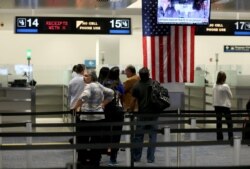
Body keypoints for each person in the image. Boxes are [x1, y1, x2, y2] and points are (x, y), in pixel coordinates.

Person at [74, 69, 114, 167]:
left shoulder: (89, 86)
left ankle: (82, 162)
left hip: (87, 119)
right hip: (99, 118)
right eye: (84, 75)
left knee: (83, 142)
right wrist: (103, 104)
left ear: (92, 77)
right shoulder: (98, 85)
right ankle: (95, 162)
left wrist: (75, 107)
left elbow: (84, 96)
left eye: (87, 76)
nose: (84, 77)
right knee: (96, 142)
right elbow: (111, 93)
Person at [130, 67, 158, 163]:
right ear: (149, 74)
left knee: (138, 137)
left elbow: (133, 100)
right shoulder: (155, 84)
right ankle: (150, 158)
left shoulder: (136, 85)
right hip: (154, 115)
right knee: (152, 137)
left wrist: (131, 111)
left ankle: (136, 157)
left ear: (140, 75)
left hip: (142, 115)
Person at [103, 66, 125, 165]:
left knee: (106, 132)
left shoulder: (104, 83)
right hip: (118, 110)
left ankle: (105, 151)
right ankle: (113, 158)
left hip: (107, 110)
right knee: (116, 134)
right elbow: (123, 92)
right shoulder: (119, 84)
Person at [213, 71, 233, 141]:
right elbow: (231, 96)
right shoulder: (226, 86)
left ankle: (219, 138)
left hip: (217, 106)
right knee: (229, 122)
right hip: (225, 106)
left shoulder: (214, 85)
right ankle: (230, 137)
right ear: (224, 78)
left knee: (219, 122)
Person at [68, 64, 85, 144]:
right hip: (82, 105)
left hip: (73, 104)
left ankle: (75, 139)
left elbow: (70, 94)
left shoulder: (71, 81)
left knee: (75, 124)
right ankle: (79, 140)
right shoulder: (84, 80)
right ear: (82, 70)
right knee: (82, 124)